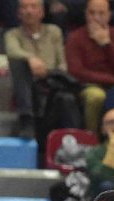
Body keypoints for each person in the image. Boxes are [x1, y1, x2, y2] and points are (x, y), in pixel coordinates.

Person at [4, 0, 71, 140]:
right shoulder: (12, 34)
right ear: (18, 13)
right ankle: (26, 119)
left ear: (42, 12)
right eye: (24, 7)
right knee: (19, 64)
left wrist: (48, 71)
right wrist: (31, 58)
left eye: (33, 7)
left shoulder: (54, 31)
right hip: (28, 83)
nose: (29, 11)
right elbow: (12, 51)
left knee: (66, 95)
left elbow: (62, 63)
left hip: (51, 80)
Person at [65, 0, 114, 134]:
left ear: (109, 15)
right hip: (87, 85)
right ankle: (92, 136)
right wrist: (113, 80)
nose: (96, 18)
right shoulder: (75, 37)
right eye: (92, 13)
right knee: (96, 96)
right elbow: (76, 72)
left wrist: (107, 44)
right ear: (86, 14)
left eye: (101, 13)